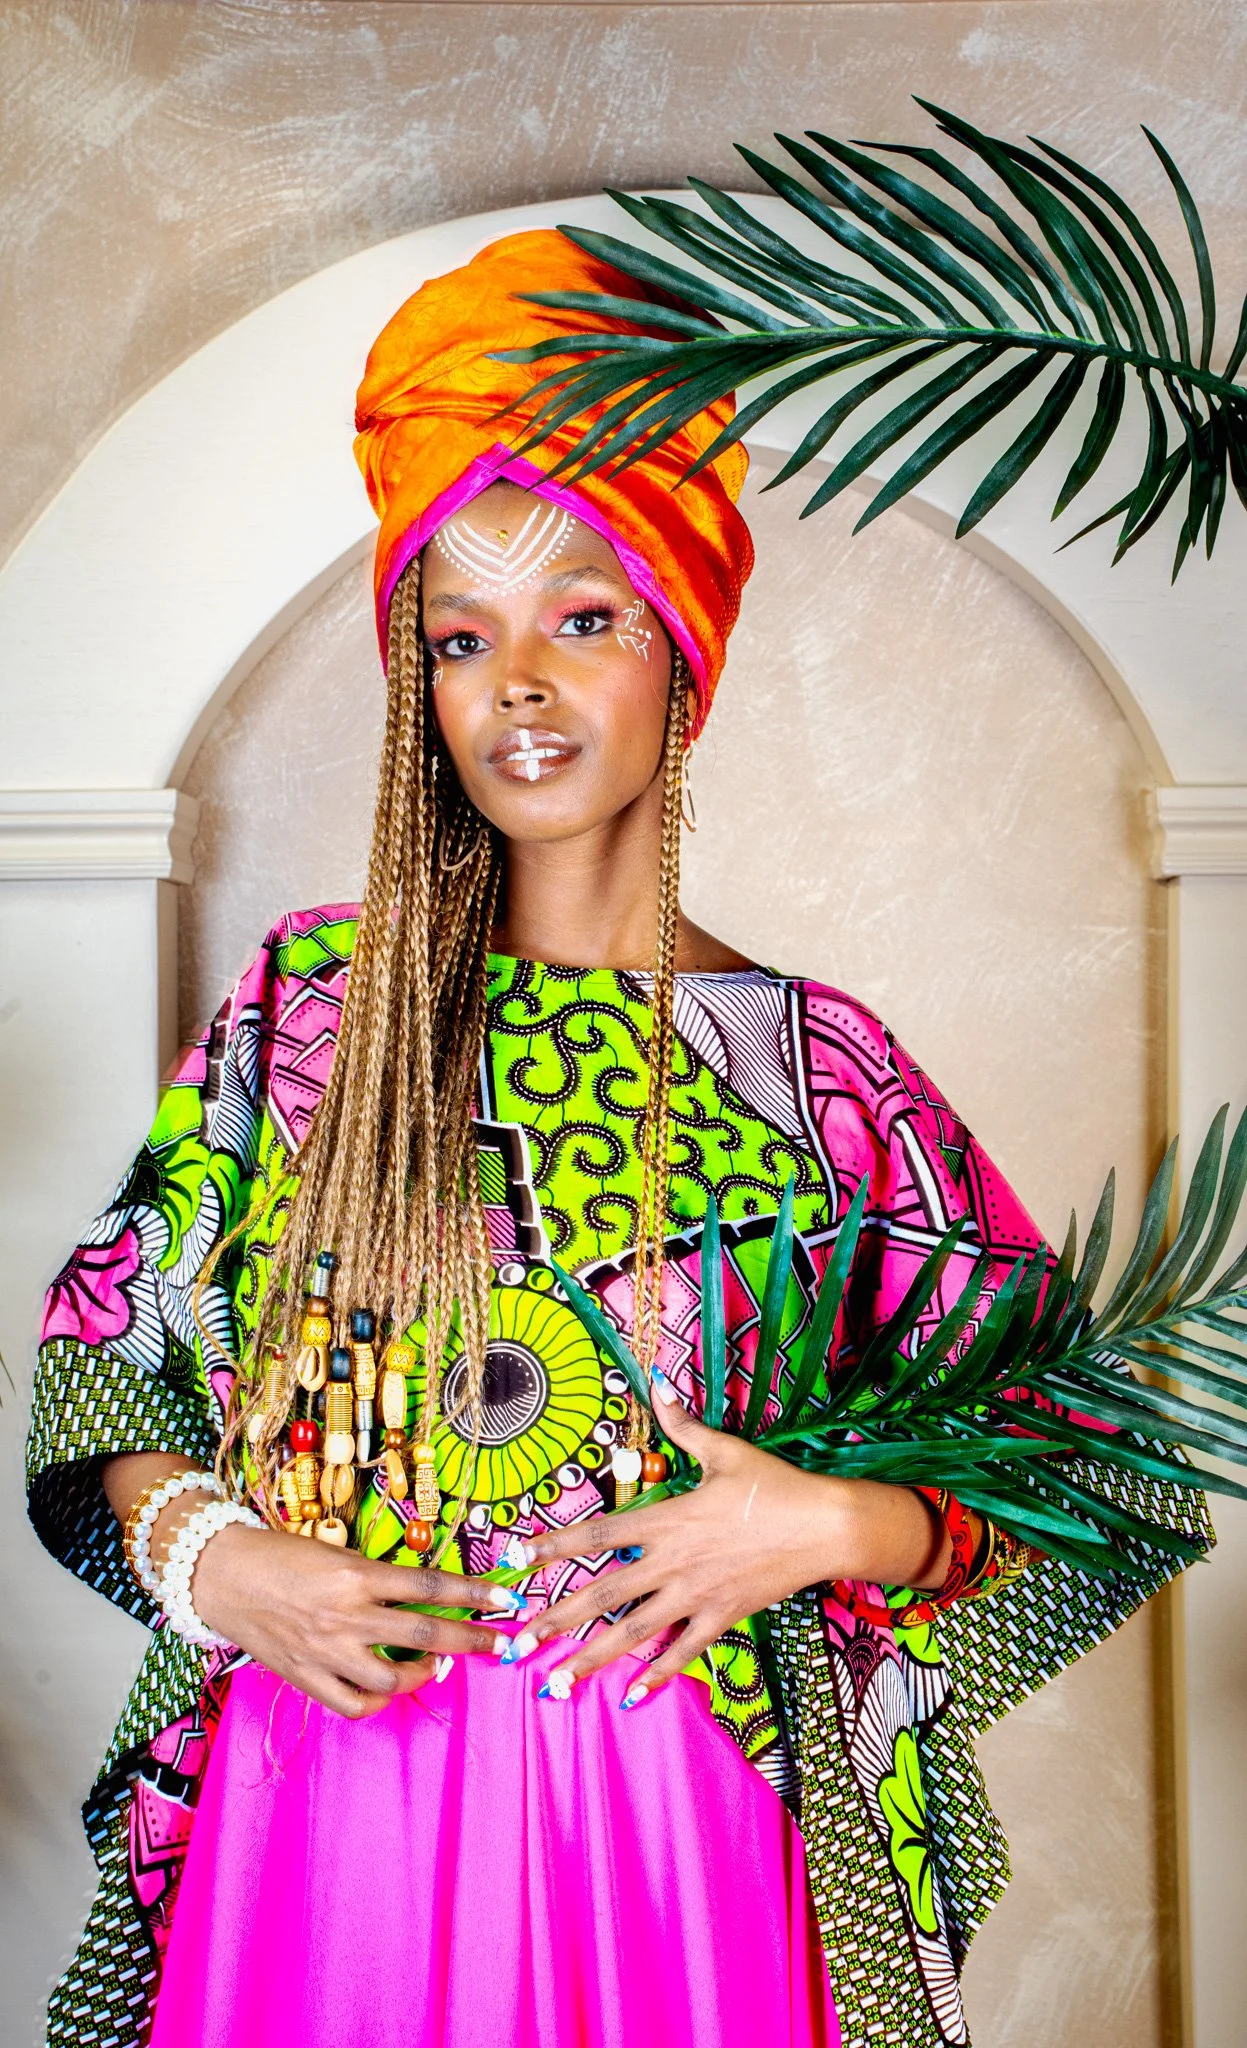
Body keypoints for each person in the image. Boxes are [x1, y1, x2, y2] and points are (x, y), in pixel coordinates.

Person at [28, 230, 1207, 2048]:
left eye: (582, 616)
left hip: (684, 1822)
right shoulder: (305, 1019)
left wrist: (825, 1522)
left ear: (681, 648)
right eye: (460, 635)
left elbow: (1102, 1465)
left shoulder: (822, 1072)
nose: (517, 683)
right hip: (326, 1807)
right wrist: (219, 1560)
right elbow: (107, 1368)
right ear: (419, 688)